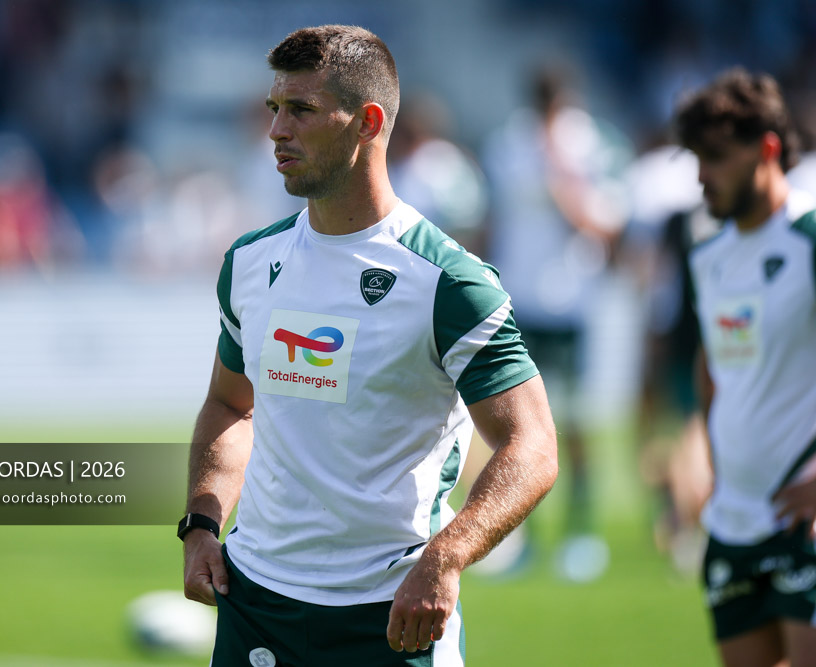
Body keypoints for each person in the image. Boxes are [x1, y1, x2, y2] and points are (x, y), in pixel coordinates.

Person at [181, 25, 558, 665]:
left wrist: (446, 558)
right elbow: (229, 406)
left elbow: (534, 445)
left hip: (394, 615)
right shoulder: (250, 263)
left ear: (367, 122)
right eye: (275, 108)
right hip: (257, 606)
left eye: (301, 110)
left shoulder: (449, 283)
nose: (276, 130)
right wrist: (201, 524)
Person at [675, 68, 816, 667]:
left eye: (717, 157)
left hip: (802, 519)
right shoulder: (708, 256)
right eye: (696, 158)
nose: (702, 175)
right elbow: (713, 368)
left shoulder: (809, 240)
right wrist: (716, 461)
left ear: (768, 149)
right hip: (733, 518)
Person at [479, 64, 631, 581]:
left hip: (573, 303)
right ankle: (521, 539)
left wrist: (563, 175)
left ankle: (580, 534)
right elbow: (492, 221)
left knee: (578, 421)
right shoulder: (506, 145)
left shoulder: (594, 144)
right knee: (514, 426)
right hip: (517, 301)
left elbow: (603, 223)